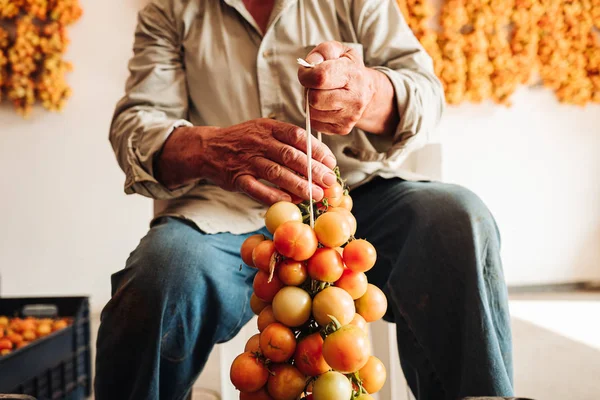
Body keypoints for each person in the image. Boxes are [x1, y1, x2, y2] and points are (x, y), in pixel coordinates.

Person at [95, 0, 514, 399]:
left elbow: (426, 93)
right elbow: (136, 125)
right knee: (160, 275)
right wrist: (211, 147)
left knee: (458, 221)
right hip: (225, 214)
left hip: (351, 198)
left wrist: (368, 92)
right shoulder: (170, 10)